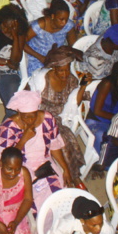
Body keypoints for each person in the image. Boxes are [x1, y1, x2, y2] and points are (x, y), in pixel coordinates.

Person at [0, 90, 73, 209]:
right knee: (36, 200)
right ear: (19, 113)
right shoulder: (8, 128)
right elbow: (5, 159)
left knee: (59, 194)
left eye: (33, 115)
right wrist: (23, 140)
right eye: (26, 117)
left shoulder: (47, 119)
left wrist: (66, 169)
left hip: (44, 162)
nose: (30, 120)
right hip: (20, 166)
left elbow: (55, 146)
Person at [27, 46, 91, 181]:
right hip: (38, 114)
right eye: (61, 70)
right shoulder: (42, 77)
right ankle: (67, 177)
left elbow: (74, 101)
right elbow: (28, 96)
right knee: (54, 142)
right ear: (54, 68)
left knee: (67, 141)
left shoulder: (72, 80)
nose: (64, 74)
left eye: (67, 70)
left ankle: (72, 176)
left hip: (56, 118)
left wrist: (83, 86)